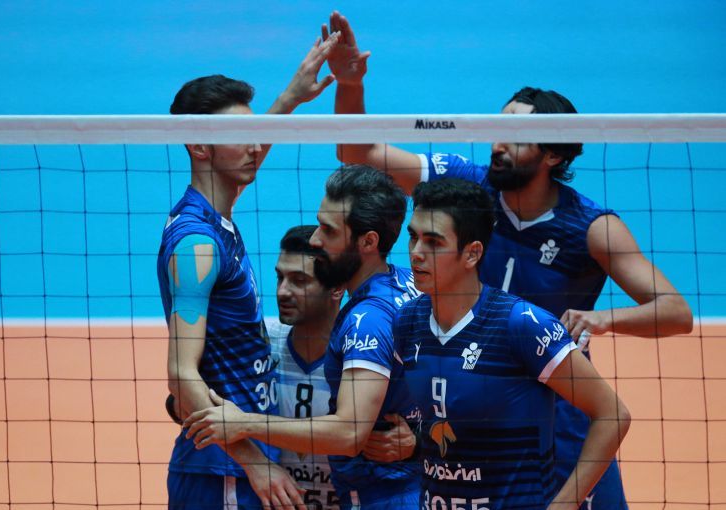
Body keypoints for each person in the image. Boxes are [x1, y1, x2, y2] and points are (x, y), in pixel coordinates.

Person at [322, 13, 693, 508]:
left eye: (514, 135)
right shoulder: (468, 189)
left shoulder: (591, 228)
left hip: (557, 408)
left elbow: (675, 312)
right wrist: (350, 84)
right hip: (477, 399)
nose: (497, 143)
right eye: (498, 129)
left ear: (553, 155)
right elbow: (358, 152)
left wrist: (602, 320)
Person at [159, 33, 341, 510]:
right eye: (240, 135)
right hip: (222, 472)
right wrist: (254, 462)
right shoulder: (197, 245)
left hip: (236, 465)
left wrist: (291, 98)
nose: (255, 146)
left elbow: (250, 154)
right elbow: (180, 374)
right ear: (200, 145)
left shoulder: (218, 219)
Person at [183, 165, 423, 510]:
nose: (315, 240)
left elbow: (349, 433)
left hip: (386, 497)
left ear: (368, 242)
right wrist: (421, 438)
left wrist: (243, 424)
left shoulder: (367, 320)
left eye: (329, 230)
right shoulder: (408, 286)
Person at [396, 178, 630, 509]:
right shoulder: (408, 322)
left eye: (433, 242)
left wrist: (564, 505)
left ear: (472, 253)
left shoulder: (521, 326)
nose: (416, 253)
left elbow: (612, 414)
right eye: (413, 237)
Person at [267, 225, 344, 508]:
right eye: (280, 278)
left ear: (337, 288)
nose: (282, 292)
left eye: (299, 281)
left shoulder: (362, 357)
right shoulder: (261, 344)